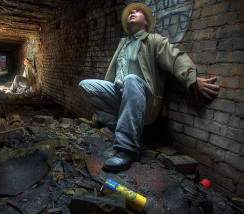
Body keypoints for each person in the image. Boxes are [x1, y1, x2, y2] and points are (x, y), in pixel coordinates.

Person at [78, 3, 219, 171]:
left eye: (137, 12)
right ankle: (118, 124)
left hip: (144, 101)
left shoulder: (153, 40)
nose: (132, 12)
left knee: (131, 79)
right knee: (85, 85)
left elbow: (175, 58)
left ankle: (127, 150)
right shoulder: (122, 44)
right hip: (120, 97)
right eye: (130, 11)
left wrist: (192, 79)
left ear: (146, 23)